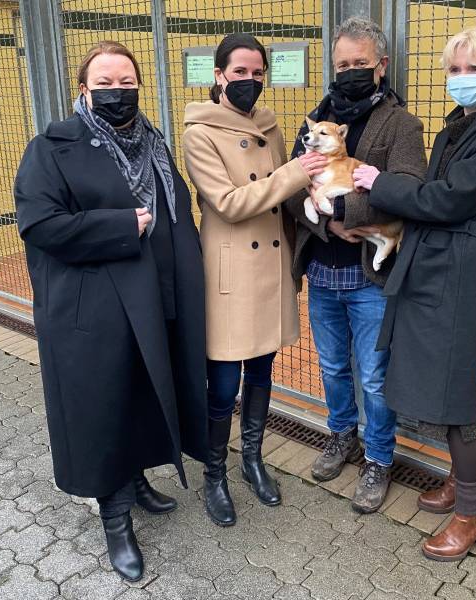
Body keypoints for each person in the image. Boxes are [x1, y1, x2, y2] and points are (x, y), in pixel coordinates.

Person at [13, 41, 209, 581]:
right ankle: (115, 514)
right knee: (104, 405)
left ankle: (139, 479)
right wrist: (122, 226)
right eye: (105, 82)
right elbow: (42, 226)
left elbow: (175, 213)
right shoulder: (52, 146)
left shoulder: (153, 141)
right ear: (83, 88)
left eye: (127, 81)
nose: (117, 91)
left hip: (154, 296)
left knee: (145, 392)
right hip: (94, 307)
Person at [353, 28, 476, 560]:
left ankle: (474, 510)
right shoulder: (463, 125)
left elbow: (449, 199)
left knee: (454, 393)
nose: (460, 79)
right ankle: (463, 480)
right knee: (447, 379)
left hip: (459, 267)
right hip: (438, 263)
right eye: (452, 70)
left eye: (472, 69)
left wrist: (377, 182)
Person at [181, 33, 326, 527]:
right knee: (222, 384)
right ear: (218, 74)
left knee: (262, 373)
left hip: (268, 270)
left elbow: (283, 201)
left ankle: (252, 460)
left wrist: (296, 261)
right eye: (239, 72)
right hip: (228, 273)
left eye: (257, 72)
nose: (249, 81)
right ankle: (214, 476)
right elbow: (229, 203)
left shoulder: (269, 125)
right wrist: (295, 174)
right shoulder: (198, 132)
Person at [284, 17, 427, 514]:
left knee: (372, 373)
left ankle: (379, 458)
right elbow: (292, 190)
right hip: (323, 268)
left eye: (359, 64)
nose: (349, 72)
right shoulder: (315, 120)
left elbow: (409, 191)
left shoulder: (402, 125)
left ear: (381, 66)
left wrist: (347, 213)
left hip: (369, 275)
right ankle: (340, 436)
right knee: (331, 366)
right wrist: (329, 226)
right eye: (342, 64)